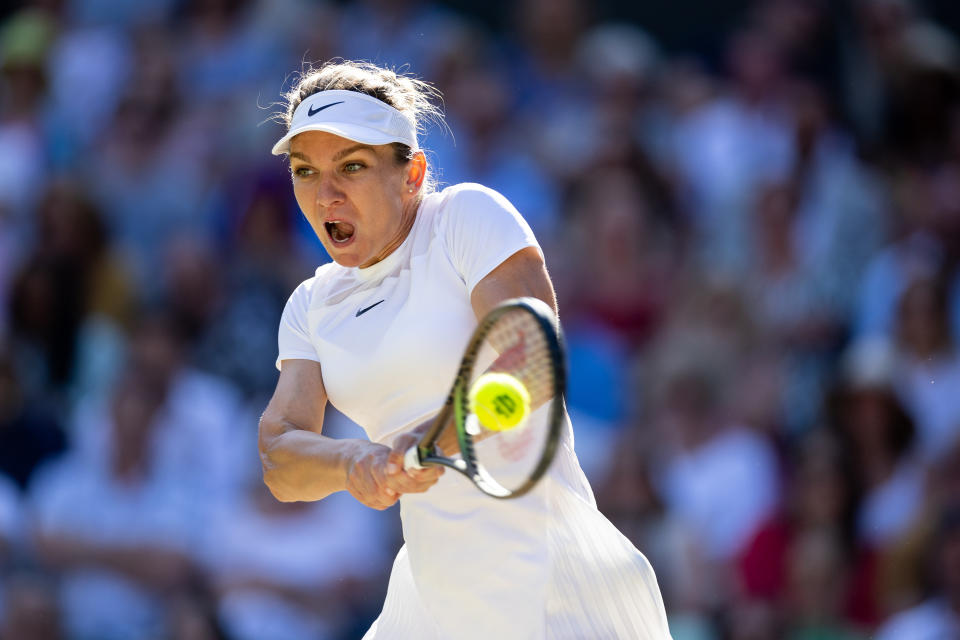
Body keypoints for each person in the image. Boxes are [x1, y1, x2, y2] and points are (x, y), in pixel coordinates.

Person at [258, 60, 672, 639]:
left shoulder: (465, 218)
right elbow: (280, 455)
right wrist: (353, 463)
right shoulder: (310, 304)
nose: (326, 195)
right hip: (432, 600)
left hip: (551, 580)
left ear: (412, 173)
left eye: (351, 166)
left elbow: (530, 368)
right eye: (306, 171)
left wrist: (435, 438)